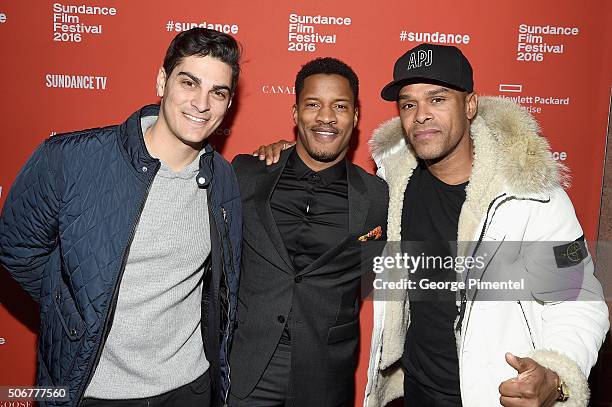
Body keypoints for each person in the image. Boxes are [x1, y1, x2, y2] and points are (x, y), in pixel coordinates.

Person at [0, 28, 242, 407]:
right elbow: (18, 249)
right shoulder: (71, 159)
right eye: (189, 82)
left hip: (188, 387)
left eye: (218, 92)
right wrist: (74, 310)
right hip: (92, 390)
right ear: (162, 81)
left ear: (228, 104)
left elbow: (222, 286)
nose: (201, 103)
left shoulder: (224, 180)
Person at [364, 43, 609, 406]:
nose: (420, 115)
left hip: (495, 396)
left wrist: (555, 376)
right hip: (416, 390)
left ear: (470, 105)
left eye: (438, 99)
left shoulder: (530, 195)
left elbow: (578, 301)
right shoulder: (395, 180)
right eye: (408, 104)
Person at [228, 57, 388, 406]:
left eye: (340, 106)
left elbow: (368, 273)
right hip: (249, 366)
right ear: (296, 112)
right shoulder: (246, 174)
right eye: (313, 104)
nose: (326, 117)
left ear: (356, 117)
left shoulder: (377, 197)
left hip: (326, 374)